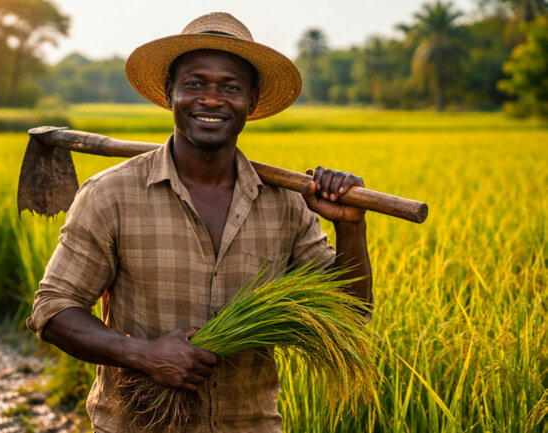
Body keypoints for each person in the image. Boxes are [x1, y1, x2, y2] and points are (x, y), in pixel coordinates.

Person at [27, 12, 373, 432]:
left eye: (230, 87)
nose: (211, 100)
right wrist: (144, 355)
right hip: (139, 425)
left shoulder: (286, 204)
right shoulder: (110, 195)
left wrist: (350, 226)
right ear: (170, 93)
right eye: (194, 84)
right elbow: (53, 309)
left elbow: (348, 312)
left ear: (252, 101)